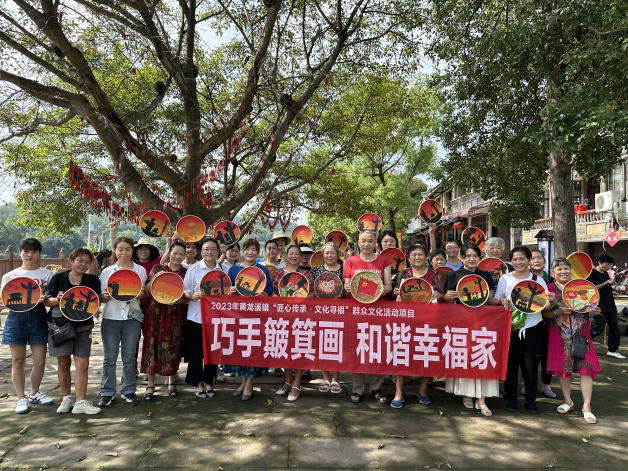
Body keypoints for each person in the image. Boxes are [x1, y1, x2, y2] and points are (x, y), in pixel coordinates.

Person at [442, 243, 501, 416]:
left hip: (483, 323)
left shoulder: (485, 275)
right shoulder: (454, 276)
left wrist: (503, 302)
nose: (471, 259)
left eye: (475, 255)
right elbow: (448, 303)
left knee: (481, 355)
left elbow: (490, 300)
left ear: (480, 257)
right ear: (462, 257)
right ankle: (466, 393)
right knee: (466, 356)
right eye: (467, 256)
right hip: (462, 322)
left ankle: (481, 399)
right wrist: (447, 297)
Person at [45, 248, 101, 415]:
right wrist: (56, 300)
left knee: (82, 364)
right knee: (63, 362)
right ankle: (66, 398)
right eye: (80, 260)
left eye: (87, 262)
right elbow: (47, 300)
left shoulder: (92, 280)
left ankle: (80, 402)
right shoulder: (58, 278)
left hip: (84, 326)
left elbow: (96, 300)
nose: (83, 264)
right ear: (72, 261)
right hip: (60, 326)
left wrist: (96, 308)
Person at [1, 238, 54, 414]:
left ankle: (34, 393)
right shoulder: (10, 276)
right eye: (26, 251)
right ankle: (21, 397)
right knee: (18, 360)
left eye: (34, 251)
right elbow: (4, 300)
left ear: (39, 253)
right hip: (16, 320)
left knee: (40, 360)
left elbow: (51, 300)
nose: (30, 255)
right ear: (20, 252)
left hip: (39, 318)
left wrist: (45, 300)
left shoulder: (47, 275)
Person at [495, 246, 549, 413]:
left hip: (533, 327)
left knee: (531, 367)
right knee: (511, 365)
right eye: (515, 259)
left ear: (529, 260)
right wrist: (501, 301)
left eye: (522, 259)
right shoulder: (505, 279)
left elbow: (545, 304)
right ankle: (511, 398)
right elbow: (496, 300)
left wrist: (551, 302)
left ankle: (531, 400)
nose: (518, 262)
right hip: (510, 327)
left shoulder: (538, 280)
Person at [546, 257, 600, 424]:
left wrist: (594, 310)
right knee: (563, 368)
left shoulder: (582, 286)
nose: (563, 271)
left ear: (571, 270)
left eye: (566, 268)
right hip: (559, 334)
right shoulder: (549, 289)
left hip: (581, 334)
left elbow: (592, 306)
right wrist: (557, 310)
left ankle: (587, 406)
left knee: (587, 367)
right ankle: (568, 400)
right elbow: (544, 314)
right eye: (559, 269)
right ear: (552, 272)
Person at [343, 230, 392, 404]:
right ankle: (357, 388)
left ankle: (376, 387)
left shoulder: (383, 261)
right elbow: (347, 284)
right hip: (357, 313)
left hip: (378, 312)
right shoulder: (351, 261)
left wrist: (384, 289)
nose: (366, 244)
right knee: (357, 349)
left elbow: (388, 286)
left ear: (375, 243)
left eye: (370, 241)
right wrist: (347, 287)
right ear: (358, 242)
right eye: (363, 241)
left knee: (377, 349)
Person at [99, 237, 147, 406]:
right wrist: (104, 296)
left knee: (129, 357)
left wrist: (141, 294)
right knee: (109, 358)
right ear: (115, 251)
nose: (124, 252)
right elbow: (103, 295)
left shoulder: (140, 270)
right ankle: (107, 392)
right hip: (110, 318)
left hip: (132, 319)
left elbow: (142, 292)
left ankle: (129, 390)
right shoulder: (107, 271)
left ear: (132, 251)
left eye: (127, 249)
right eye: (120, 249)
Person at [390, 243, 439, 408]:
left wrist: (438, 294)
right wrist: (396, 293)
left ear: (426, 256)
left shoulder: (432, 274)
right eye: (414, 255)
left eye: (420, 254)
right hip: (406, 320)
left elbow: (440, 294)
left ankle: (423, 390)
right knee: (401, 354)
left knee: (427, 354)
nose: (417, 257)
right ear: (409, 258)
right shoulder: (403, 274)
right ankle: (398, 392)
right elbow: (395, 295)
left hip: (427, 321)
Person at [226, 238, 273, 400]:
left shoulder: (263, 270)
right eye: (247, 249)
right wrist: (230, 291)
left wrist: (264, 294)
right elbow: (226, 291)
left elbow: (269, 292)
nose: (250, 252)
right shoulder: (234, 269)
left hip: (256, 316)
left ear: (258, 252)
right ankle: (243, 382)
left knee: (253, 349)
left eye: (254, 249)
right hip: (238, 316)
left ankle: (249, 384)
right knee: (241, 350)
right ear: (242, 251)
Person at [141, 241, 188, 400]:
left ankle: (171, 382)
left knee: (173, 347)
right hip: (155, 313)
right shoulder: (158, 269)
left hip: (175, 315)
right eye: (175, 253)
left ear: (184, 256)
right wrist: (154, 279)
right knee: (151, 346)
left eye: (181, 254)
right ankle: (150, 384)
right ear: (169, 253)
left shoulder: (186, 273)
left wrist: (180, 299)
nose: (177, 257)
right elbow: (147, 292)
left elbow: (187, 296)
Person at [182, 237, 225, 398]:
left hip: (215, 318)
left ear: (217, 251)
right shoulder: (193, 269)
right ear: (201, 251)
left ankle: (209, 381)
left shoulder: (222, 269)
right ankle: (196, 382)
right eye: (206, 249)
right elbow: (185, 291)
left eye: (213, 249)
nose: (209, 252)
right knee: (196, 352)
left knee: (212, 352)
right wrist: (192, 296)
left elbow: (226, 291)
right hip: (196, 317)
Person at [272, 244, 314, 401]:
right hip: (283, 317)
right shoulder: (279, 273)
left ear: (300, 256)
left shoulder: (306, 274)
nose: (294, 256)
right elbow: (274, 293)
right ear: (286, 255)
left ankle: (297, 383)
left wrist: (298, 300)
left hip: (300, 317)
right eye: (291, 253)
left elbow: (312, 295)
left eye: (297, 254)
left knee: (299, 349)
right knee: (285, 348)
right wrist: (283, 302)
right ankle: (288, 380)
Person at [311, 242, 344, 395]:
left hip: (339, 313)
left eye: (332, 253)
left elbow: (349, 291)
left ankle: (336, 378)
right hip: (320, 313)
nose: (329, 256)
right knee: (321, 345)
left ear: (337, 254)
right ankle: (325, 378)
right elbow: (311, 292)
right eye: (326, 253)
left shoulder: (344, 269)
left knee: (337, 345)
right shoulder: (315, 270)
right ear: (322, 255)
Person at [529, 249, 556, 399]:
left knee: (547, 355)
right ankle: (528, 384)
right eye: (532, 258)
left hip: (549, 323)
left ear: (544, 261)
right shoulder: (525, 279)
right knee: (531, 356)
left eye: (539, 258)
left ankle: (546, 385)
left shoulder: (551, 280)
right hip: (530, 322)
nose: (536, 261)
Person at [588, 254, 624, 358]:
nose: (609, 267)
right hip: (599, 305)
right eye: (607, 264)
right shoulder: (592, 273)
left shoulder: (605, 273)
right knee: (598, 329)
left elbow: (607, 285)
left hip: (610, 305)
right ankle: (583, 341)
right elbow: (591, 288)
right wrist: (605, 283)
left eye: (610, 265)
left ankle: (612, 350)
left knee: (615, 329)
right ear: (599, 262)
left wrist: (614, 287)